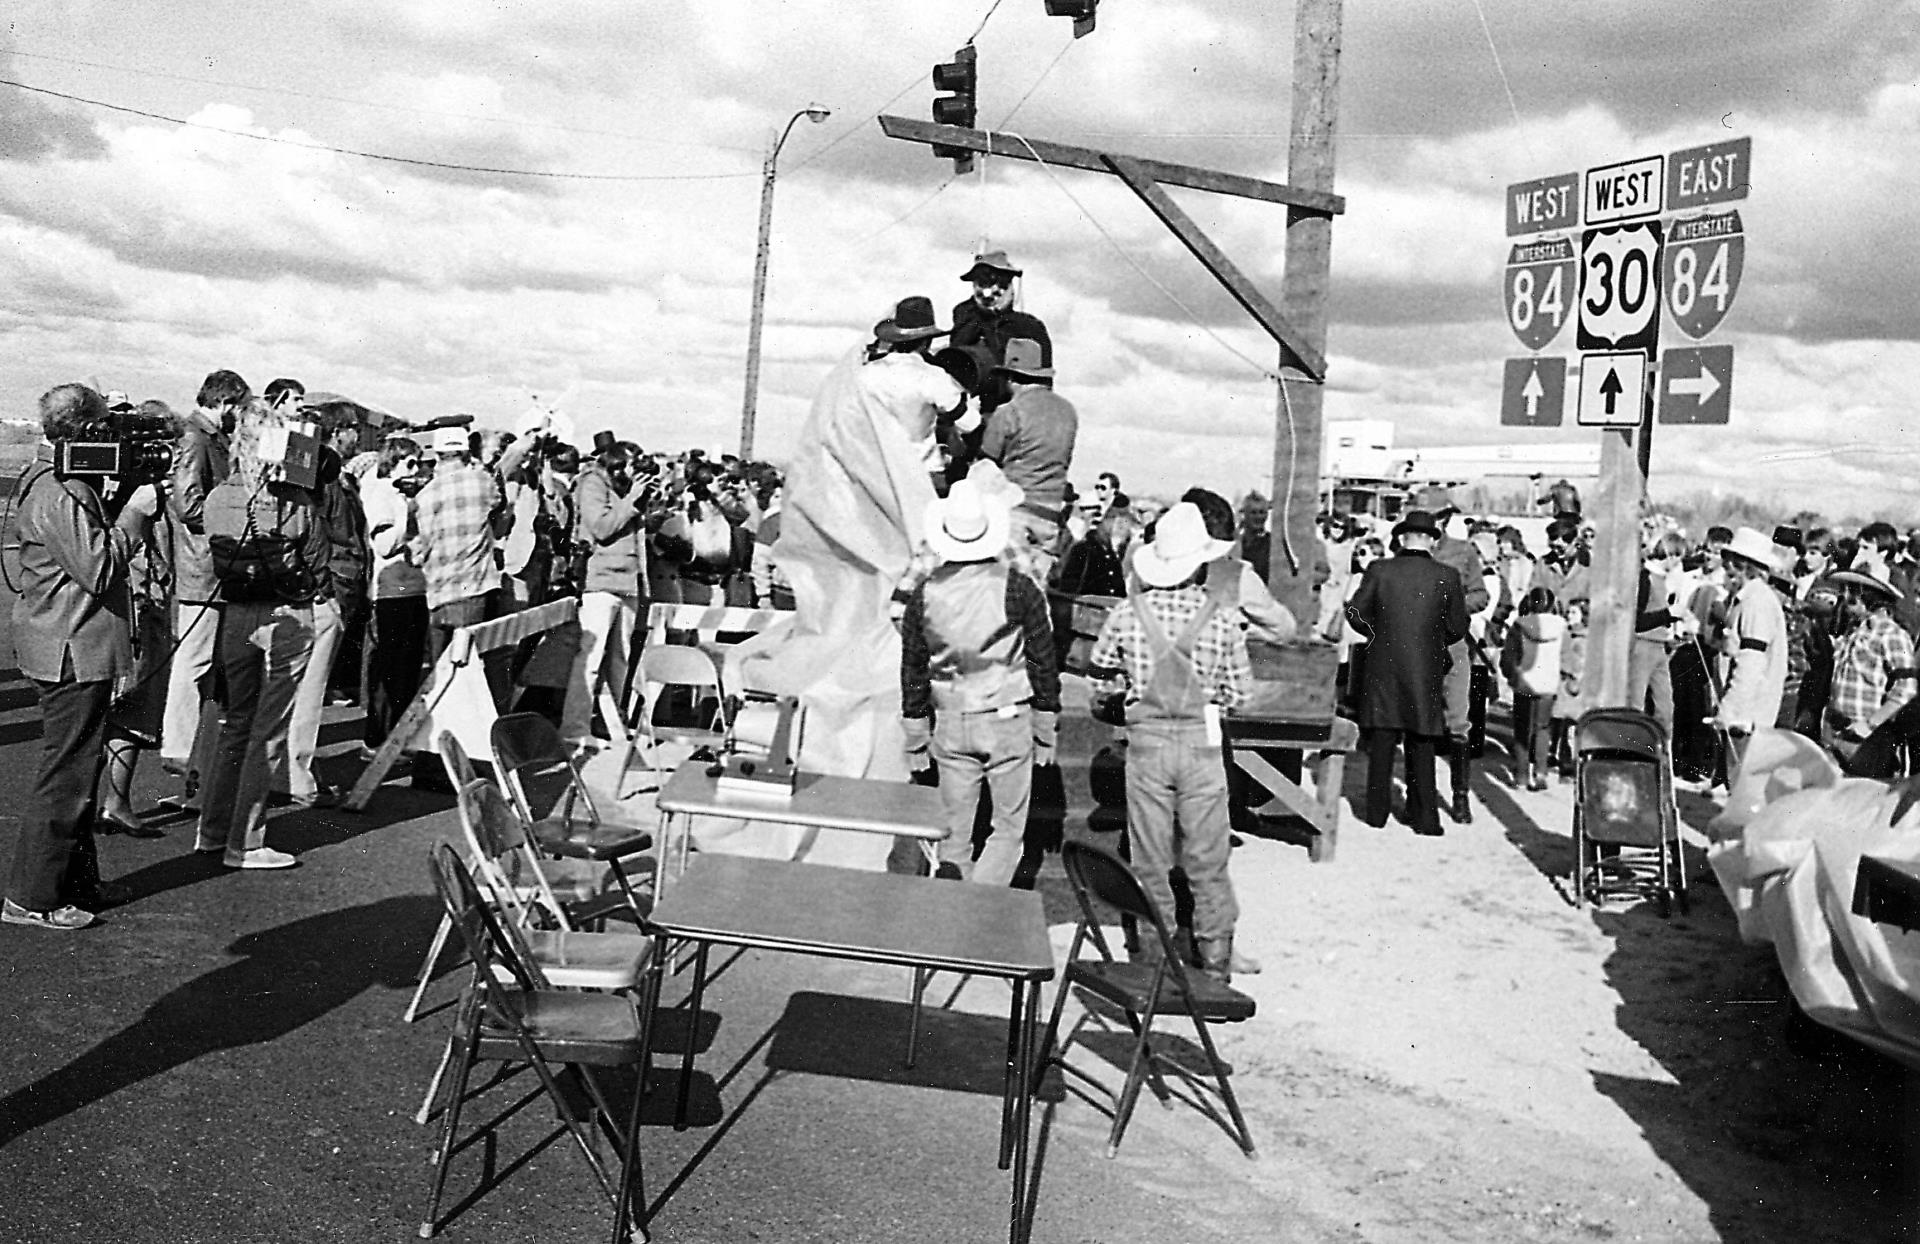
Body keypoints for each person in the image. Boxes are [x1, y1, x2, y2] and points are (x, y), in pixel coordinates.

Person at [4, 385, 159, 928]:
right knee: (65, 776)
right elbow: (98, 568)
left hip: (71, 642)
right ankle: (32, 898)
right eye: (104, 426)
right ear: (86, 430)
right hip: (70, 647)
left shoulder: (61, 482)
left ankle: (73, 884)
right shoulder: (59, 490)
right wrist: (136, 515)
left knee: (79, 771)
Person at [1087, 502, 1253, 982]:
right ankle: (1215, 964)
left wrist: (1126, 703)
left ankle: (1153, 961)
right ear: (1200, 562)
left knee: (1150, 857)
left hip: (1148, 745)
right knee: (1208, 858)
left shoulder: (1126, 613)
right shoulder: (1222, 618)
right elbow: (1241, 696)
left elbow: (1100, 685)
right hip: (1202, 744)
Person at [899, 475, 1059, 886]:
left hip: (951, 717)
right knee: (1007, 829)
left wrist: (916, 732)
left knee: (955, 831)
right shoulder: (1019, 587)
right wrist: (1045, 722)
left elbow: (913, 666)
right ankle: (982, 908)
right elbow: (1042, 658)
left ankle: (952, 910)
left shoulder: (924, 594)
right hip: (1007, 714)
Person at [194, 401, 330, 869]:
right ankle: (246, 843)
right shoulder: (295, 501)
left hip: (236, 615)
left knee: (236, 725)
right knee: (268, 732)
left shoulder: (217, 498)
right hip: (286, 615)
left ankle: (213, 831)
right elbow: (316, 557)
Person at [1346, 510, 1469, 837]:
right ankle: (1424, 816)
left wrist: (1375, 633)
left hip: (1383, 665)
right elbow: (1458, 627)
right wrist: (1433, 640)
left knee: (1383, 740)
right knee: (1421, 742)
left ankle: (1376, 813)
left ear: (1401, 538)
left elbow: (1355, 612)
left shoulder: (1379, 570)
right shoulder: (1447, 576)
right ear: (1432, 540)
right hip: (1425, 666)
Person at [157, 368, 249, 802]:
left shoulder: (208, 437)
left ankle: (190, 749)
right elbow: (187, 503)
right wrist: (229, 520)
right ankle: (177, 747)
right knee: (193, 663)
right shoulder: (196, 439)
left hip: (211, 569)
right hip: (201, 570)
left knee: (203, 666)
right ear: (225, 402)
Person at [280, 415, 366, 809]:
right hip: (324, 589)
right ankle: (299, 777)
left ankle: (292, 773)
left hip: (322, 585)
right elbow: (317, 533)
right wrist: (330, 591)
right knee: (308, 690)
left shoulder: (322, 473)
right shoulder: (323, 476)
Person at [562, 435, 662, 750]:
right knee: (591, 659)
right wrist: (632, 499)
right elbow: (601, 527)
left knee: (620, 659)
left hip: (629, 582)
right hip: (601, 582)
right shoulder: (593, 483)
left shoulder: (624, 491)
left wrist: (646, 505)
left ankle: (610, 724)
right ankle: (574, 727)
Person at [1415, 487, 1491, 823]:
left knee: (1458, 721)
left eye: (1429, 519)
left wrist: (1454, 609)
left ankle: (1460, 797)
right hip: (1414, 646)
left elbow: (1481, 594)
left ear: (1444, 519)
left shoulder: (1463, 552)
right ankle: (1420, 799)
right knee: (1418, 721)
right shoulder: (1404, 552)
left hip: (1451, 643)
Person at [413, 424, 511, 680]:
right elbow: (499, 503)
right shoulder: (480, 481)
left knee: (442, 673)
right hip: (473, 588)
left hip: (437, 591)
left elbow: (419, 544)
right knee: (471, 671)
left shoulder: (425, 494)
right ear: (466, 452)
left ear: (436, 454)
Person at [979, 337, 1078, 587]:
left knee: (1004, 591)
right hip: (1051, 516)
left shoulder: (1009, 411)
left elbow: (986, 465)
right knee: (1035, 592)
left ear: (1012, 378)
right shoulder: (1068, 412)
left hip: (1016, 512)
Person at [359, 436, 429, 751]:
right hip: (391, 589)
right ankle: (376, 739)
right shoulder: (382, 493)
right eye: (409, 463)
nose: (416, 470)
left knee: (408, 669)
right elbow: (384, 544)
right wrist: (407, 515)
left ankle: (396, 740)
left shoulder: (407, 493)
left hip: (414, 585)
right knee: (390, 669)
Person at [1823, 566, 1916, 767]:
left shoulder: (1892, 634)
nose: (1845, 596)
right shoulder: (1854, 630)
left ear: (1870, 596)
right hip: (1837, 730)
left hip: (1867, 738)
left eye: (1853, 591)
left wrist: (1869, 724)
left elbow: (1906, 688)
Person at [949, 250, 1051, 412]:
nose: (988, 290)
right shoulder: (965, 318)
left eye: (998, 281)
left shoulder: (1028, 327)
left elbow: (1043, 383)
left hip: (1013, 414)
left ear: (1010, 286)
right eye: (981, 281)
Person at [1500, 586, 1563, 791]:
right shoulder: (1562, 627)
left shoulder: (1519, 627)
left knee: (1521, 731)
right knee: (1543, 728)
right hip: (1549, 684)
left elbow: (1508, 658)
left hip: (1524, 682)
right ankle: (1541, 772)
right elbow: (1568, 656)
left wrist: (1511, 676)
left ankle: (1521, 776)